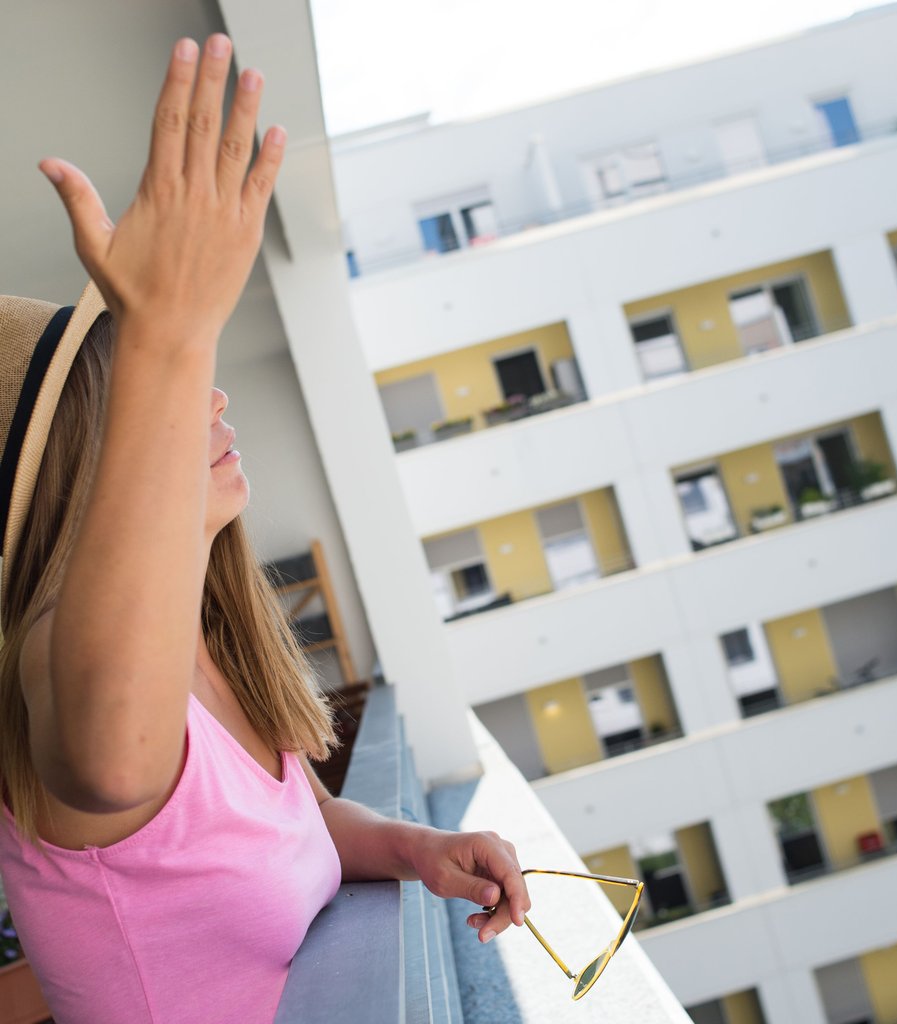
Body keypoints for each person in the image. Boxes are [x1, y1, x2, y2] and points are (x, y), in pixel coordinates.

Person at [0, 34, 528, 1024]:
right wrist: (167, 330)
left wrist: (410, 847)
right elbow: (113, 757)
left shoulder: (210, 653)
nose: (204, 401)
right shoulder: (50, 659)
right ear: (86, 470)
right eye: (150, 399)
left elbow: (293, 824)